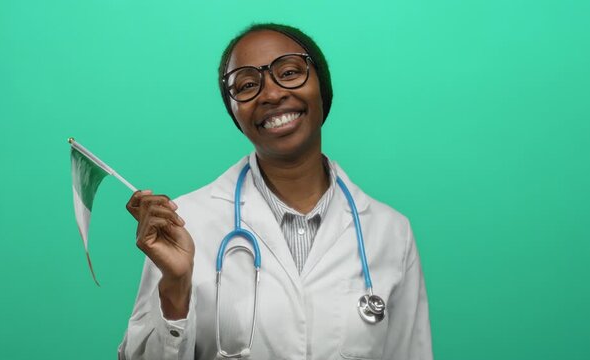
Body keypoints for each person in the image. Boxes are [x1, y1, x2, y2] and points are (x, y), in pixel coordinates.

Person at [118, 23, 433, 360]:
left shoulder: (390, 232)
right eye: (248, 84)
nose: (271, 94)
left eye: (290, 72)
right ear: (234, 112)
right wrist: (175, 288)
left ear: (322, 87)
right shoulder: (183, 223)